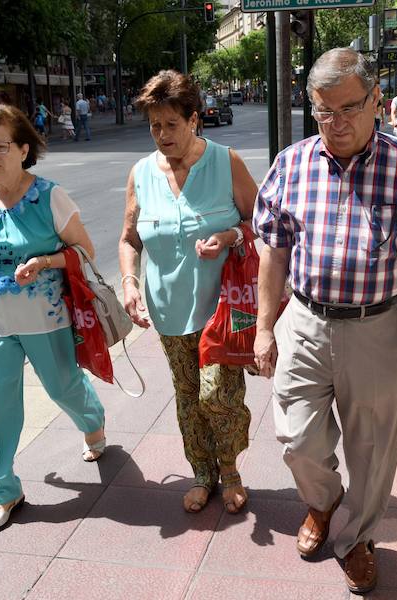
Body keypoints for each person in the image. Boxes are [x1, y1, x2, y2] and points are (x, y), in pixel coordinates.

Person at [252, 48, 397, 594]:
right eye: (323, 111)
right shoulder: (291, 163)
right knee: (296, 438)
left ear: (377, 99)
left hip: (379, 327)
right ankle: (323, 504)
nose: (336, 123)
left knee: (371, 450)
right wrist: (261, 327)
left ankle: (355, 538)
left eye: (349, 108)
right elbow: (273, 254)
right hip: (304, 320)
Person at [0, 104, 107, 534]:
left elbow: (85, 251)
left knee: (64, 387)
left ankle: (93, 422)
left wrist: (45, 261)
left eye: (1, 145)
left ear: (23, 149)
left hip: (47, 318)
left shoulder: (50, 196)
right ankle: (4, 491)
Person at [118, 70, 258, 516]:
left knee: (216, 394)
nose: (162, 135)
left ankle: (231, 470)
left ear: (193, 119)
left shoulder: (225, 161)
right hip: (168, 310)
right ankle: (202, 472)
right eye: (154, 126)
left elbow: (263, 224)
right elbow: (128, 240)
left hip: (222, 308)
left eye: (170, 125)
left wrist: (231, 235)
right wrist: (129, 282)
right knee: (186, 394)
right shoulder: (140, 174)